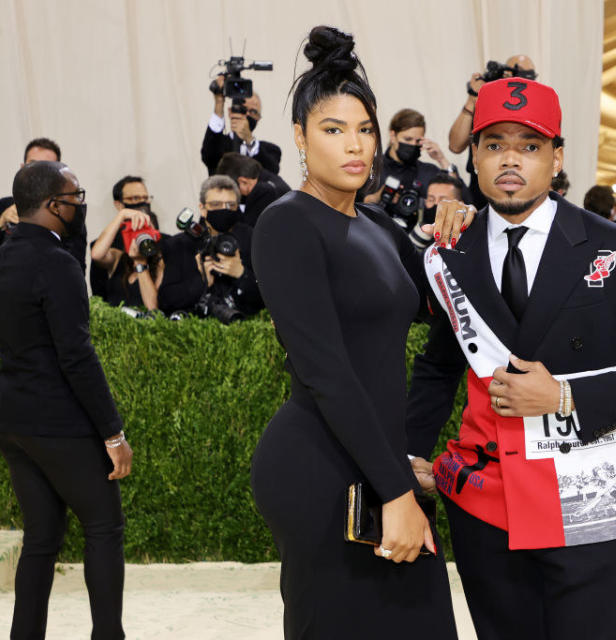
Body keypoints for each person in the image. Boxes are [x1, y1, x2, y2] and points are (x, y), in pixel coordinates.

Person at [405, 76, 616, 639]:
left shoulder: (615, 246)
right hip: (484, 504)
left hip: (582, 496)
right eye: (494, 145)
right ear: (475, 156)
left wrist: (565, 396)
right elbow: (441, 364)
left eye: (529, 145)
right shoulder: (454, 249)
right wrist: (409, 453)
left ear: (557, 156)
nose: (510, 160)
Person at [248, 26, 464, 639]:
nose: (355, 146)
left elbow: (445, 302)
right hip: (319, 465)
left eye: (365, 129)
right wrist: (394, 491)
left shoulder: (376, 222)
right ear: (299, 137)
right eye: (333, 129)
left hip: (375, 459)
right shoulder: (286, 224)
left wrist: (461, 224)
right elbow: (326, 372)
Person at [0, 160, 132, 639]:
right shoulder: (57, 263)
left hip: (11, 419)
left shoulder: (1, 257)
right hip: (57, 423)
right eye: (75, 196)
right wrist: (114, 433)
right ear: (53, 205)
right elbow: (77, 356)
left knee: (42, 540)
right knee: (104, 527)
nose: (80, 204)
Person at [158, 175, 261, 321]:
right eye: (216, 204)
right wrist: (202, 281)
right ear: (203, 208)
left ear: (238, 207)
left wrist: (241, 274)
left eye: (230, 205)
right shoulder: (179, 244)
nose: (224, 209)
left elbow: (266, 298)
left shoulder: (251, 239)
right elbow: (166, 301)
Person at [447, 54, 537, 210]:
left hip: (521, 190)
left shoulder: (537, 109)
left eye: (529, 77)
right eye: (520, 75)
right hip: (482, 190)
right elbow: (455, 145)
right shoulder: (486, 101)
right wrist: (473, 99)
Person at [0, 138, 87, 272]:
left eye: (46, 167)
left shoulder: (68, 210)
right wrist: (0, 225)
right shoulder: (3, 206)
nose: (38, 173)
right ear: (22, 167)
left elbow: (76, 264)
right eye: (32, 165)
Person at [365, 108, 459, 226]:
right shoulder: (370, 167)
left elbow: (461, 202)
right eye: (408, 139)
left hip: (420, 239)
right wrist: (377, 198)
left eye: (418, 141)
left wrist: (442, 160)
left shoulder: (429, 172)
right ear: (393, 135)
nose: (413, 145)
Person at [201, 77, 281, 176]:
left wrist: (249, 140)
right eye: (243, 109)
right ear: (231, 112)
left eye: (253, 112)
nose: (247, 115)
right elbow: (209, 155)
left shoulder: (270, 150)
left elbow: (272, 170)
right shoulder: (219, 144)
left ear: (258, 118)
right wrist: (219, 102)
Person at [90, 205, 163, 311]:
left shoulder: (160, 264)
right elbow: (96, 255)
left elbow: (153, 307)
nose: (140, 238)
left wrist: (140, 262)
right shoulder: (118, 258)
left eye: (145, 231)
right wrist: (121, 215)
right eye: (136, 231)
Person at [214, 152, 286, 227]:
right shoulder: (269, 178)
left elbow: (245, 232)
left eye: (232, 190)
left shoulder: (263, 192)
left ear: (243, 181)